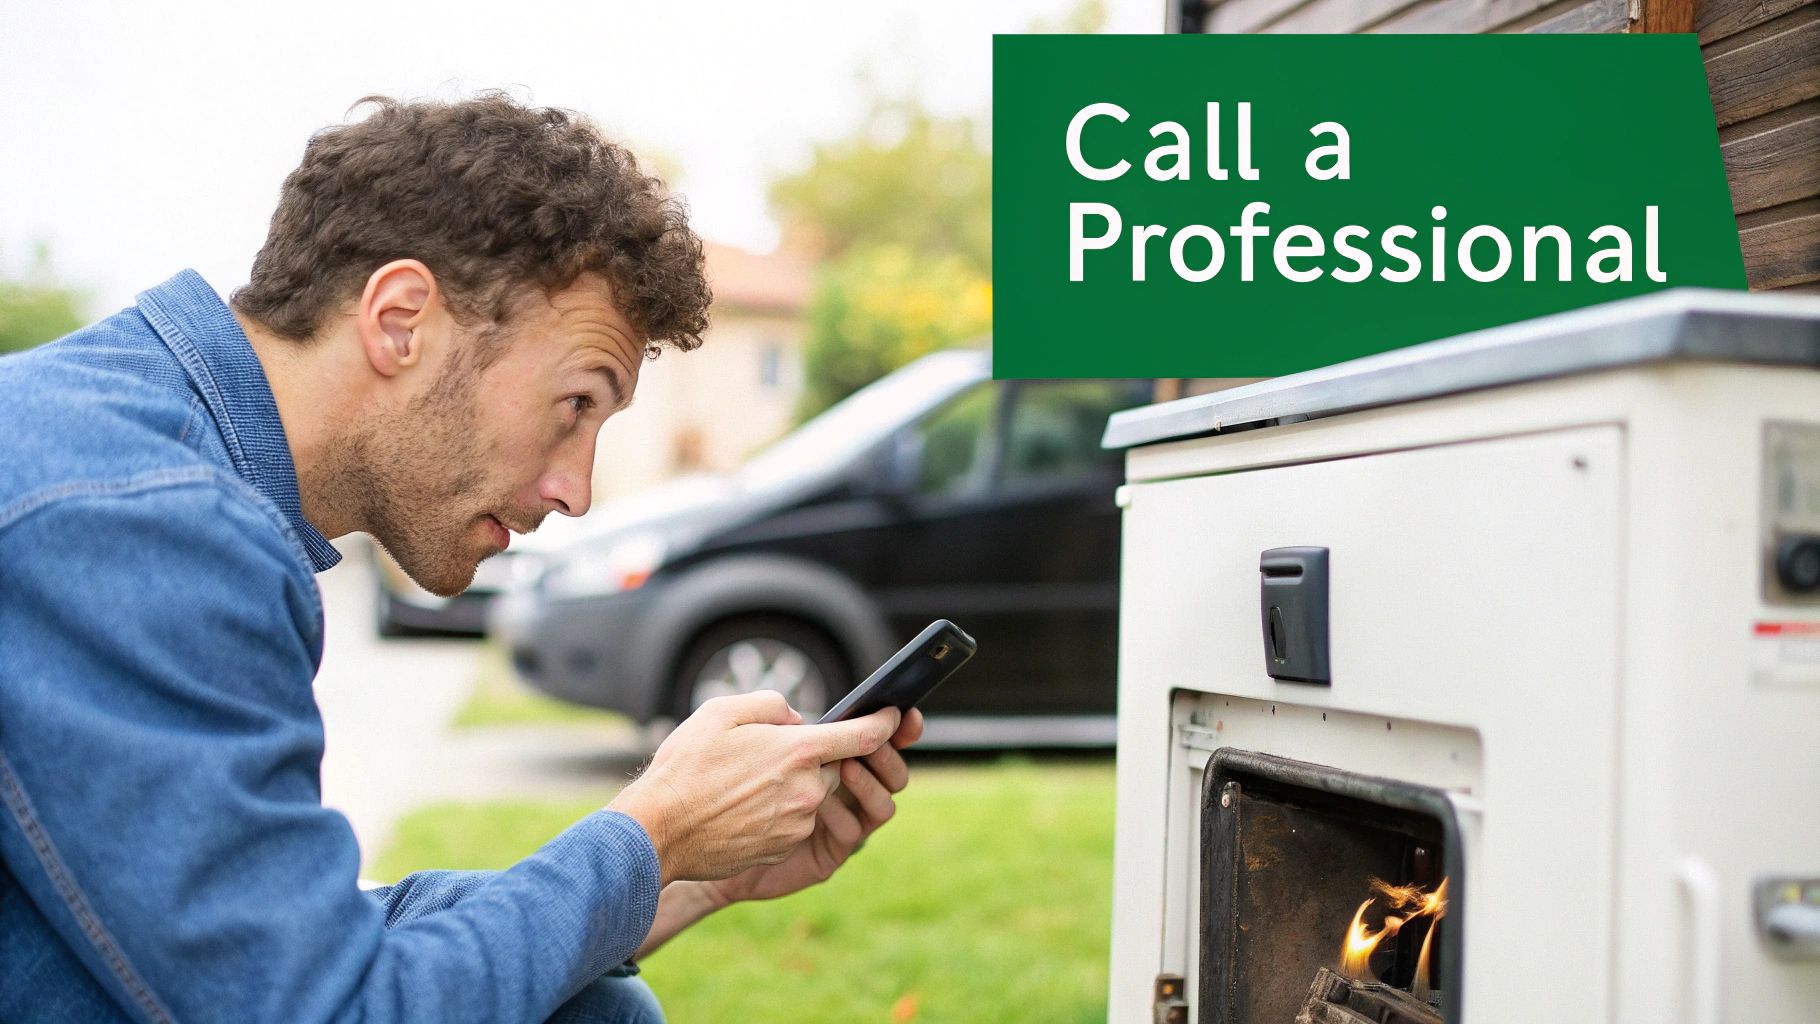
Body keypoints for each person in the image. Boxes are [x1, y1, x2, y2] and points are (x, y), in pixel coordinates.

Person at [0, 92, 922, 1024]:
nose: (577, 490)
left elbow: (267, 947)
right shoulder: (142, 521)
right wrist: (651, 834)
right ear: (401, 321)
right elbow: (326, 1009)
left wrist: (684, 876)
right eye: (575, 405)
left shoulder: (139, 465)